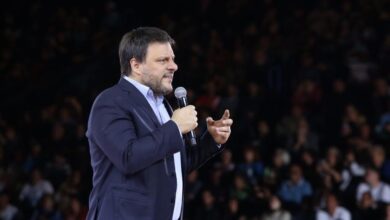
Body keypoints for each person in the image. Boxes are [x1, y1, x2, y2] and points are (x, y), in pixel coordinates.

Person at [85, 27, 233, 220]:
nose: (174, 66)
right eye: (163, 60)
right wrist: (175, 127)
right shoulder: (110, 102)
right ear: (136, 65)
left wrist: (210, 141)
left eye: (172, 59)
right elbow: (128, 157)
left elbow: (173, 164)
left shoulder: (162, 104)